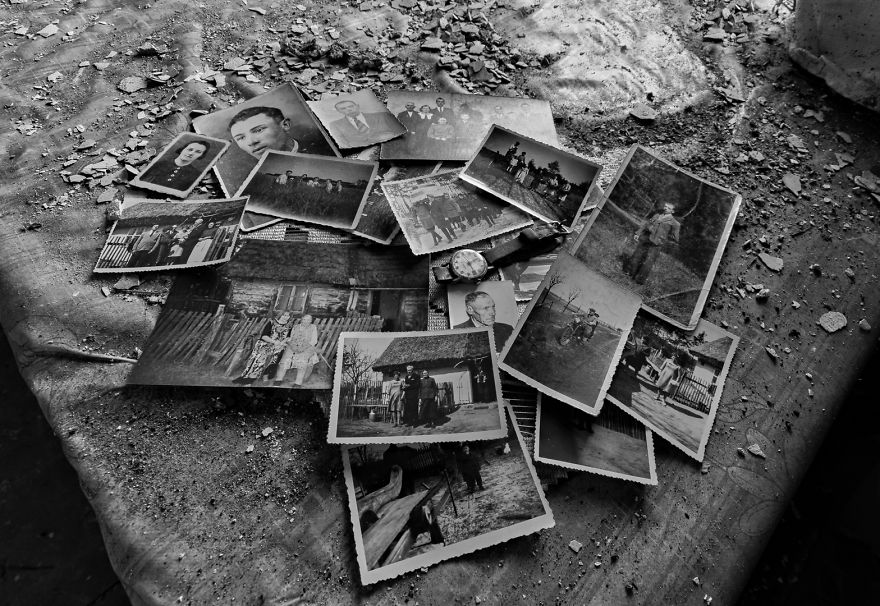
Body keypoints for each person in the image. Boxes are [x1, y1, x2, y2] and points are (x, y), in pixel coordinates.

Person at [625, 202, 681, 285]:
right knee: (637, 255)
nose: (665, 208)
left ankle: (639, 281)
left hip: (656, 244)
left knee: (648, 262)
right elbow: (646, 224)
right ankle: (629, 273)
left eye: (668, 208)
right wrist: (638, 233)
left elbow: (675, 237)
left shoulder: (675, 223)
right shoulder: (657, 215)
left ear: (672, 211)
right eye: (665, 206)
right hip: (646, 238)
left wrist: (665, 238)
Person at [234, 312, 293, 384]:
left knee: (274, 359)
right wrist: (274, 342)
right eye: (284, 315)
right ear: (280, 315)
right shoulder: (272, 323)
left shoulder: (289, 325)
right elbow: (264, 336)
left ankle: (262, 376)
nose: (286, 317)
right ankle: (247, 379)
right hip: (265, 344)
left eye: (288, 316)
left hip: (278, 346)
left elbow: (288, 337)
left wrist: (282, 343)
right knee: (258, 361)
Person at [228, 106, 300, 159]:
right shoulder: (244, 173)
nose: (251, 142)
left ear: (285, 125)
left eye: (258, 130)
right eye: (241, 138)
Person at [139, 140, 211, 191]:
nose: (191, 153)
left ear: (201, 156)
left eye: (198, 152)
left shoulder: (195, 174)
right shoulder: (159, 163)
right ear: (183, 149)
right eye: (190, 149)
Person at [328, 99, 403, 147]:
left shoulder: (382, 115)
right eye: (343, 108)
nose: (348, 109)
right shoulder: (335, 125)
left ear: (357, 106)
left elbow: (400, 132)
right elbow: (342, 144)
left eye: (350, 106)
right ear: (339, 111)